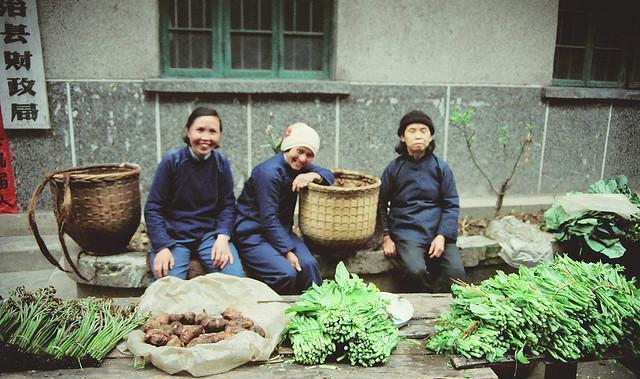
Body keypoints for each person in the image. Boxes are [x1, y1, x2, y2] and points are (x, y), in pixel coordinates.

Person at [144, 106, 245, 279]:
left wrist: (222, 237)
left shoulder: (221, 164)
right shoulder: (172, 162)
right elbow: (153, 208)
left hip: (209, 235)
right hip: (175, 237)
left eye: (213, 131)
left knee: (234, 278)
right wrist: (162, 247)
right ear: (188, 132)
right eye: (200, 130)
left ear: (219, 135)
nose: (206, 137)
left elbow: (228, 205)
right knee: (169, 285)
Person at [234, 122, 334, 294]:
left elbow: (329, 174)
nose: (303, 158)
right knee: (285, 273)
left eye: (309, 155)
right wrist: (287, 251)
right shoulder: (268, 173)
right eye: (300, 151)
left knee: (309, 265)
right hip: (253, 234)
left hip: (281, 231)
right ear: (288, 147)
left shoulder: (299, 167)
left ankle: (316, 310)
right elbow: (268, 218)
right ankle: (277, 308)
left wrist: (313, 175)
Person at [378, 110, 465, 292]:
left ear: (431, 136)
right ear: (403, 137)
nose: (418, 135)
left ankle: (443, 311)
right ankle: (423, 307)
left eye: (423, 130)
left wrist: (442, 236)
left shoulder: (441, 168)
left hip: (437, 231)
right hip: (407, 232)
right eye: (412, 131)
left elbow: (451, 204)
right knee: (415, 271)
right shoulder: (393, 169)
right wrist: (386, 237)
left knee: (456, 272)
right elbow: (380, 204)